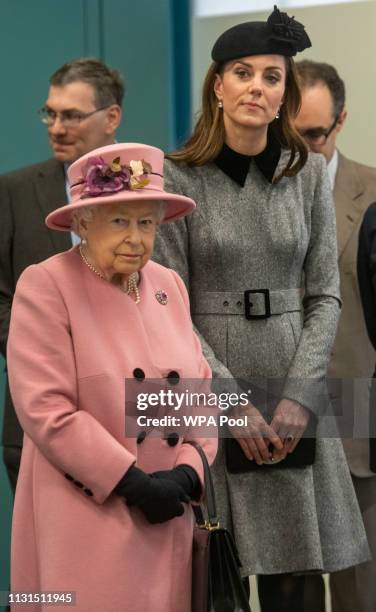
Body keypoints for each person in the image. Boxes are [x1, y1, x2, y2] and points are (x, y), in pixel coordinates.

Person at [153, 7, 370, 611]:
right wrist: (229, 402)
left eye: (271, 77)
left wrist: (300, 394)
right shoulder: (178, 179)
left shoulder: (304, 174)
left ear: (284, 93)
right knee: (218, 570)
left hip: (294, 388)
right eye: (242, 73)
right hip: (213, 389)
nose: (256, 87)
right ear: (217, 86)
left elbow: (324, 292)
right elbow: (169, 308)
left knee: (295, 580)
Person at [6, 142, 217, 612]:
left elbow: (200, 396)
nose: (136, 238)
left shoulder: (169, 285)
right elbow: (48, 411)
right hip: (90, 516)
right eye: (119, 220)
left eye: (146, 222)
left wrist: (186, 473)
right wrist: (133, 483)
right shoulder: (47, 285)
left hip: (169, 516)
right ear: (82, 222)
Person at [0, 57, 123, 492]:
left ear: (112, 117)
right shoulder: (14, 191)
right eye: (50, 113)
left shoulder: (146, 196)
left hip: (130, 416)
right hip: (37, 423)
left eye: (71, 115)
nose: (56, 126)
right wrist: (40, 353)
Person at [295, 60, 376, 612]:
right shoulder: (252, 195)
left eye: (313, 135)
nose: (299, 149)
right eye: (288, 133)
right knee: (288, 588)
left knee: (358, 592)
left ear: (341, 122)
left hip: (357, 413)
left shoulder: (372, 192)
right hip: (273, 405)